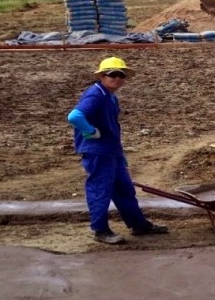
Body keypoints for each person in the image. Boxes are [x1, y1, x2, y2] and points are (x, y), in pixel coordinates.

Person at [67, 57, 169, 244]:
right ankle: (100, 230)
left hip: (111, 152)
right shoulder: (95, 95)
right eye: (112, 74)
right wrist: (90, 131)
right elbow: (75, 116)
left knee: (124, 190)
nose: (117, 78)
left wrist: (120, 155)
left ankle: (138, 225)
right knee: (100, 191)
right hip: (98, 153)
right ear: (102, 76)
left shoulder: (110, 96)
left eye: (121, 75)